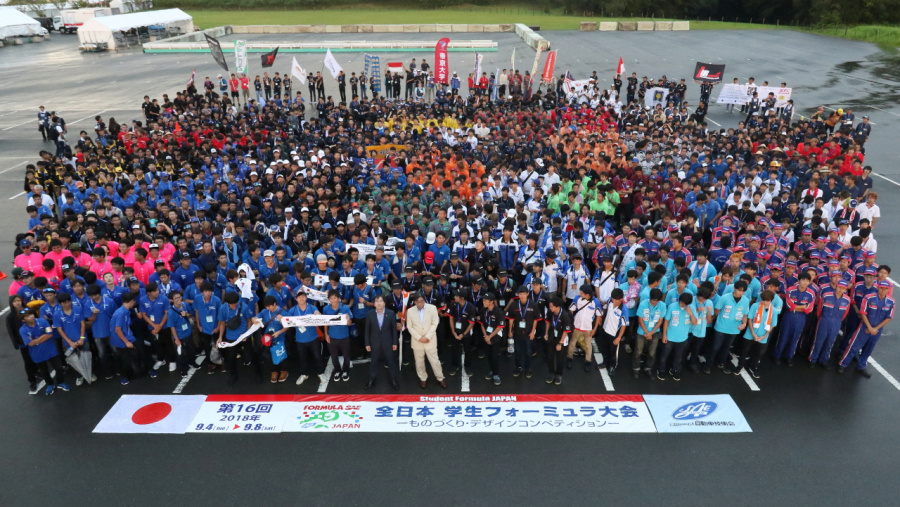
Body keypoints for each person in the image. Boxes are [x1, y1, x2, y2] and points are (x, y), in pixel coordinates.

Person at [839, 280, 894, 377]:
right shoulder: (868, 298)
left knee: (869, 348)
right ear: (878, 288)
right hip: (865, 326)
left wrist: (875, 329)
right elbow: (863, 313)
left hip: (877, 329)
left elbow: (889, 317)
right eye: (881, 288)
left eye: (886, 289)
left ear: (888, 290)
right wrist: (870, 327)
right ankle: (843, 364)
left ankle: (861, 366)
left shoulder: (891, 302)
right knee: (854, 346)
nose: (883, 290)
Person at [19, 308, 70, 395]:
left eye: (31, 314)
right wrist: (43, 336)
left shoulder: (43, 321)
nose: (31, 316)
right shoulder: (22, 330)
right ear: (23, 320)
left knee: (59, 368)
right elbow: (30, 344)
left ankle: (60, 382)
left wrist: (36, 341)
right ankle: (50, 384)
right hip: (37, 354)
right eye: (27, 316)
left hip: (51, 350)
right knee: (44, 372)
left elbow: (50, 334)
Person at [216, 291, 260, 386]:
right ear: (227, 302)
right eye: (231, 304)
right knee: (231, 357)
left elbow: (249, 321)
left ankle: (258, 372)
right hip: (231, 337)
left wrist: (247, 334)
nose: (233, 305)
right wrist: (220, 337)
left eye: (235, 303)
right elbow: (222, 323)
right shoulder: (223, 308)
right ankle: (232, 375)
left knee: (252, 354)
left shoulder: (244, 307)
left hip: (244, 336)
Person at [734, 290, 778, 378]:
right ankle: (740, 366)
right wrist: (753, 333)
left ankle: (754, 367)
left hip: (763, 335)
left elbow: (773, 324)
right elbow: (750, 319)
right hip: (750, 333)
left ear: (771, 300)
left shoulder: (774, 311)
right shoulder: (755, 306)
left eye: (767, 300)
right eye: (764, 300)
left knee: (758, 353)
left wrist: (765, 335)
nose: (765, 302)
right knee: (744, 351)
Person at [284, 289, 324, 386]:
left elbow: (317, 312)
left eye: (303, 296)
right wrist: (282, 319)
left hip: (313, 338)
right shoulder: (293, 310)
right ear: (296, 299)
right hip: (300, 339)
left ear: (306, 297)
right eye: (299, 297)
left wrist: (317, 314)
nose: (301, 298)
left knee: (317, 357)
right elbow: (286, 320)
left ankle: (321, 373)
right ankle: (304, 374)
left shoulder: (311, 307)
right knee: (302, 358)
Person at [406, 292, 446, 389]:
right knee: (419, 362)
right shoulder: (410, 311)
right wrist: (419, 338)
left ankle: (440, 377)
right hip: (417, 341)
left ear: (424, 300)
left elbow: (435, 323)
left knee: (434, 360)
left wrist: (427, 337)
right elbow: (409, 327)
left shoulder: (432, 308)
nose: (420, 303)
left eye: (422, 301)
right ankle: (422, 378)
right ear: (414, 302)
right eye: (418, 302)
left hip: (430, 339)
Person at [364, 295, 400, 390]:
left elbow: (394, 330)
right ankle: (371, 379)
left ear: (384, 303)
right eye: (377, 301)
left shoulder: (391, 313)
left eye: (381, 301)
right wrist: (367, 343)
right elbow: (367, 330)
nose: (379, 303)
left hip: (388, 342)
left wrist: (395, 343)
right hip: (374, 342)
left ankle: (394, 379)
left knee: (391, 361)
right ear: (374, 304)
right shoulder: (370, 314)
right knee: (373, 361)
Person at [7, 295, 41, 393]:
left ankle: (36, 371)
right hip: (23, 343)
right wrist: (16, 344)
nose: (17, 303)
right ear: (12, 303)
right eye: (15, 301)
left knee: (37, 357)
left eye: (19, 300)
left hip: (35, 339)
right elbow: (11, 331)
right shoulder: (10, 317)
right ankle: (32, 380)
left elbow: (37, 321)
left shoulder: (30, 310)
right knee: (27, 361)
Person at [658, 292, 696, 381]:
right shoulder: (672, 306)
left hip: (683, 338)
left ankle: (675, 370)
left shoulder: (691, 308)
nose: (682, 305)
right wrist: (664, 335)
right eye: (681, 302)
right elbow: (666, 321)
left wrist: (691, 313)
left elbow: (695, 323)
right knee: (664, 356)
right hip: (670, 337)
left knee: (678, 357)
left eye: (685, 304)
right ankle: (661, 370)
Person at [566, 283, 603, 373]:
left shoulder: (596, 302)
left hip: (588, 327)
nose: (580, 294)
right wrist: (571, 323)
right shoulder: (577, 299)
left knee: (588, 345)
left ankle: (588, 361)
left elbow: (598, 316)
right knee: (572, 343)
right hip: (576, 326)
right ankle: (569, 358)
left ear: (588, 295)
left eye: (582, 293)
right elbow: (571, 310)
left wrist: (594, 329)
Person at [507, 285, 539, 378]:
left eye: (524, 294)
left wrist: (533, 332)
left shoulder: (533, 305)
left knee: (528, 352)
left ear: (527, 294)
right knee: (517, 351)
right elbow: (511, 319)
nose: (522, 296)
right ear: (518, 295)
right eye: (520, 294)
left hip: (528, 333)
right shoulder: (514, 304)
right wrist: (510, 330)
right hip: (517, 332)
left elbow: (536, 319)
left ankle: (528, 368)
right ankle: (518, 367)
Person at [322, 289, 354, 382]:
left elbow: (350, 324)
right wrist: (326, 334)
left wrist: (348, 319)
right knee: (334, 356)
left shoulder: (345, 308)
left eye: (335, 298)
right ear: (329, 299)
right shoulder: (326, 309)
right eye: (331, 298)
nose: (333, 300)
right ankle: (337, 370)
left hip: (344, 336)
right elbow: (325, 323)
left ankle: (345, 371)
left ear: (339, 298)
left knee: (346, 355)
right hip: (332, 336)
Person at [596, 288, 628, 376]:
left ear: (621, 299)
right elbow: (605, 308)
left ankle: (612, 366)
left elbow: (624, 325)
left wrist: (619, 338)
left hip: (614, 334)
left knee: (613, 352)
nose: (614, 301)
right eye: (613, 298)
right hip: (605, 329)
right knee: (604, 348)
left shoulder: (624, 310)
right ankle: (605, 362)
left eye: (616, 299)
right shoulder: (609, 300)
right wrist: (601, 317)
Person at [544, 295, 573, 385]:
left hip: (561, 338)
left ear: (558, 306)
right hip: (552, 336)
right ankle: (551, 373)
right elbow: (548, 322)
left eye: (552, 306)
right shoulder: (550, 312)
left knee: (560, 358)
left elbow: (566, 331)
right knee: (549, 357)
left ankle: (559, 374)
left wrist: (560, 343)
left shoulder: (565, 315)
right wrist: (546, 333)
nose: (550, 308)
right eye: (549, 306)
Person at [479, 292, 506, 385]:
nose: (483, 302)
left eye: (486, 300)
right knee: (489, 356)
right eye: (483, 300)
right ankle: (492, 370)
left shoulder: (498, 311)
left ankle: (496, 374)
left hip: (496, 336)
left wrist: (490, 337)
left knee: (494, 356)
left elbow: (500, 326)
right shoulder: (483, 310)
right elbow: (482, 323)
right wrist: (485, 336)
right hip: (486, 336)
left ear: (492, 302)